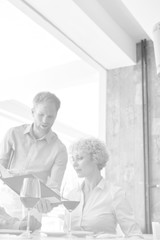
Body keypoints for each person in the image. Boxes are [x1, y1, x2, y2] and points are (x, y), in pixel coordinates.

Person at [0, 91, 68, 214]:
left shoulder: (60, 149)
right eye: (41, 114)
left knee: (29, 232)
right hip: (7, 202)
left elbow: (55, 186)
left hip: (35, 206)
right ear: (32, 112)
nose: (45, 120)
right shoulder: (13, 134)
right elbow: (1, 166)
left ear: (56, 116)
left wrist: (49, 202)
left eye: (50, 116)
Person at [65, 137, 143, 238]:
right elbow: (65, 233)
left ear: (96, 158)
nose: (74, 164)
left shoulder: (115, 194)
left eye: (80, 158)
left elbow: (136, 236)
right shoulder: (71, 196)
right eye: (73, 159)